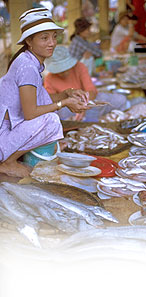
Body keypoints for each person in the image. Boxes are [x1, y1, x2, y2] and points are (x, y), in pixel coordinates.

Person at [0, 8, 89, 178]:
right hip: (4, 137)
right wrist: (64, 103)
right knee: (51, 120)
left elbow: (41, 100)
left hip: (8, 134)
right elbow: (31, 112)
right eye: (44, 38)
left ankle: (10, 159)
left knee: (51, 116)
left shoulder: (29, 62)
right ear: (29, 41)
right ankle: (7, 163)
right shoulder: (27, 67)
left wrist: (67, 94)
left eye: (54, 36)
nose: (52, 42)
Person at [44, 45, 127, 122]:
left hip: (88, 102)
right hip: (68, 108)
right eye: (61, 71)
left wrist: (82, 105)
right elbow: (52, 103)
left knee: (121, 99)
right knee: (60, 113)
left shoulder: (79, 67)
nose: (65, 72)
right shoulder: (49, 79)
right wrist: (73, 105)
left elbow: (91, 91)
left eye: (66, 68)